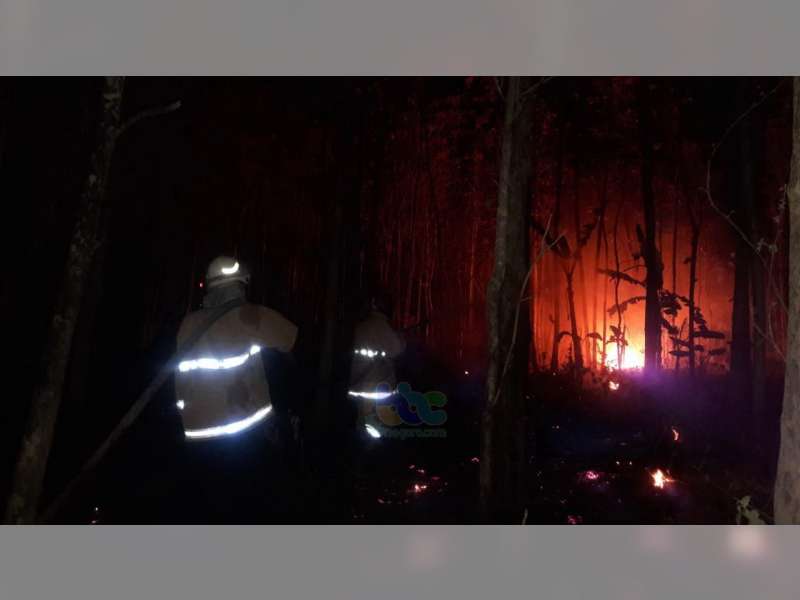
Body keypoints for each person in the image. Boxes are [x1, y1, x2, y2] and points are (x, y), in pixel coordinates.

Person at [172, 255, 299, 523]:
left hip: (196, 438)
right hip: (242, 437)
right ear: (241, 285)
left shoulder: (188, 324)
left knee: (210, 509)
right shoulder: (248, 315)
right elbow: (292, 339)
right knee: (244, 509)